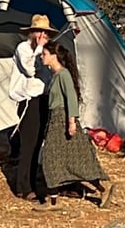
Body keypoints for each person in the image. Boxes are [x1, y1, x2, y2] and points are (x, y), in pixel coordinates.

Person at [39, 41, 114, 209]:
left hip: (63, 120)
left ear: (54, 56)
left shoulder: (63, 74)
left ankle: (103, 188)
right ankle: (53, 200)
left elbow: (71, 98)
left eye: (44, 54)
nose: (41, 57)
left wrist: (71, 122)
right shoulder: (56, 76)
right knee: (54, 160)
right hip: (55, 120)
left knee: (72, 160)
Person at [9, 15, 57, 202]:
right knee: (28, 144)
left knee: (38, 143)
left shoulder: (45, 52)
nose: (41, 35)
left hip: (43, 98)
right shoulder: (24, 49)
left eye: (45, 32)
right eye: (39, 31)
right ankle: (22, 186)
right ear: (31, 32)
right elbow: (30, 70)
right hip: (28, 100)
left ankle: (33, 181)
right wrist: (38, 48)